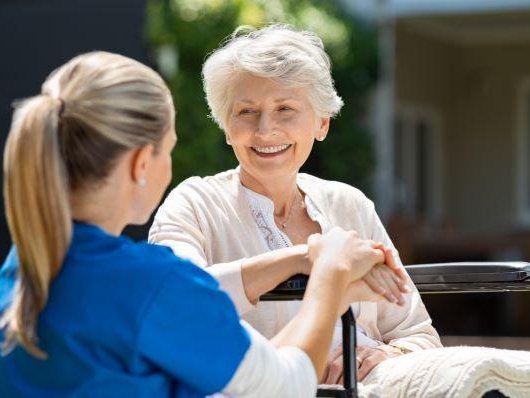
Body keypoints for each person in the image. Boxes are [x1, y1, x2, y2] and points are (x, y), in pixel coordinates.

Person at [0, 51, 408, 397]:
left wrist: (301, 257)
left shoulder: (23, 267)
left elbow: (250, 384)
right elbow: (287, 385)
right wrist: (331, 275)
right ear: (143, 163)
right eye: (170, 150)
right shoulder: (152, 284)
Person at [148, 24, 442, 383]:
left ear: (322, 122)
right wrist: (308, 259)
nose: (264, 130)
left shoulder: (350, 205)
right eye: (246, 112)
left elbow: (419, 334)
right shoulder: (193, 204)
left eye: (285, 109)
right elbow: (176, 303)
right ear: (226, 127)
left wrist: (382, 355)